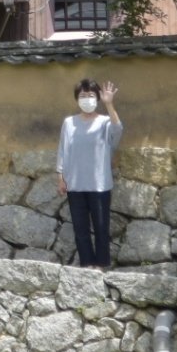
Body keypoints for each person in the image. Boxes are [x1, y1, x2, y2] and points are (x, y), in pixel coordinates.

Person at [57, 77, 122, 269]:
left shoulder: (105, 122)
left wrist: (109, 104)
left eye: (91, 95)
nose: (87, 99)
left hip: (100, 184)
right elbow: (62, 150)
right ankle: (86, 265)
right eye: (83, 95)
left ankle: (101, 265)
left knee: (101, 228)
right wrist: (60, 177)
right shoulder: (69, 123)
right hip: (75, 184)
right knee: (80, 229)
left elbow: (118, 131)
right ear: (77, 99)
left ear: (97, 98)